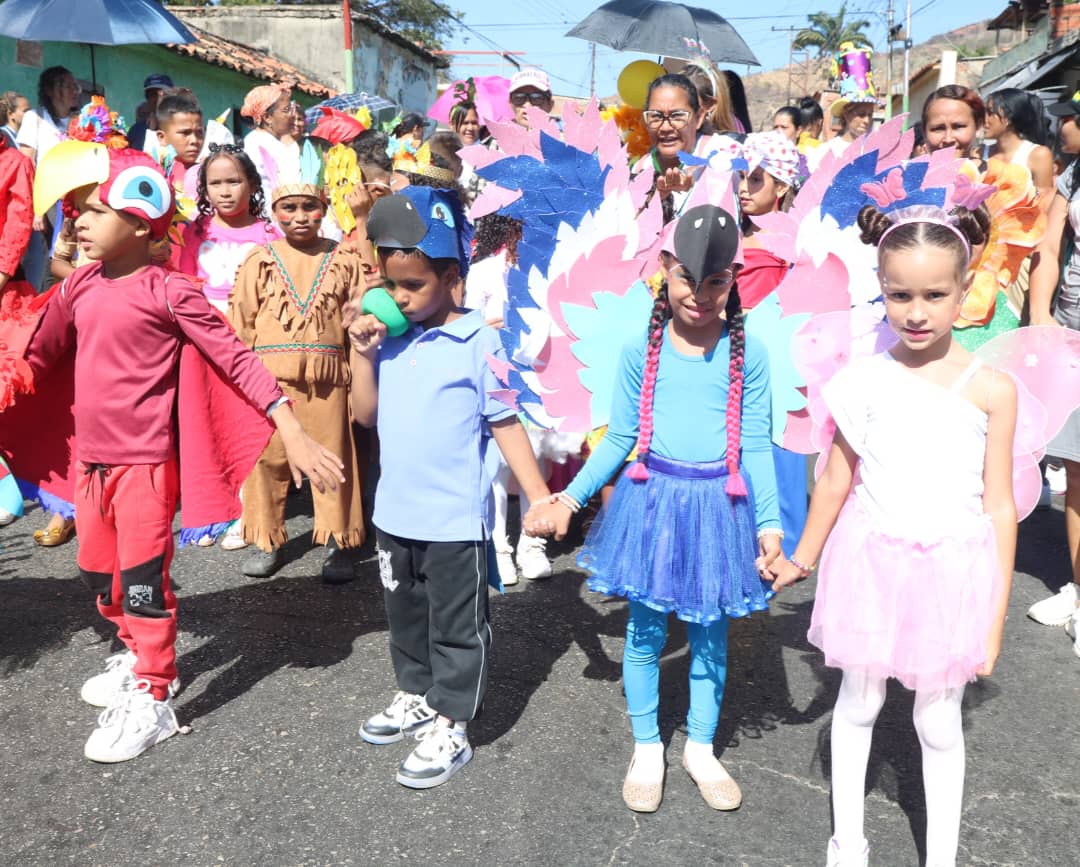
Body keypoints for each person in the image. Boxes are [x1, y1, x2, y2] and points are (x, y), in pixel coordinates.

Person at [22, 147, 345, 762]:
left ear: (141, 223)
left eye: (93, 211)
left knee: (143, 581)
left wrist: (294, 430)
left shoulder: (172, 291)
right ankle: (134, 651)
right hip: (90, 463)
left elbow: (237, 360)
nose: (78, 221)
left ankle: (154, 692)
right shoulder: (80, 284)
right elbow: (38, 355)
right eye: (77, 211)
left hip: (147, 466)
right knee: (97, 573)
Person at [770, 206, 1018, 866]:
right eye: (900, 294)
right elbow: (834, 479)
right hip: (871, 561)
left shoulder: (991, 388)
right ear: (880, 287)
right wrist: (802, 557)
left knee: (937, 719)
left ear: (965, 290)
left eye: (934, 294)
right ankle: (846, 840)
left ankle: (941, 856)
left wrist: (994, 620)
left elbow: (999, 505)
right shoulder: (861, 380)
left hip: (951, 571)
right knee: (858, 701)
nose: (916, 311)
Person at [527, 203, 783, 813]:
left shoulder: (749, 353)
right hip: (653, 504)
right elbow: (618, 437)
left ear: (733, 280)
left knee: (711, 636)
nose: (700, 294)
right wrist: (569, 499)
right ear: (665, 270)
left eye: (716, 281)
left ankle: (701, 747)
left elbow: (756, 445)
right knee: (645, 631)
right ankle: (647, 746)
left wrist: (770, 525)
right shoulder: (639, 351)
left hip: (720, 508)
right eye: (687, 277)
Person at [348, 186, 552, 788]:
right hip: (395, 515)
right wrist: (361, 353)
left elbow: (506, 421)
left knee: (458, 628)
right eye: (391, 285)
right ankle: (417, 693)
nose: (399, 298)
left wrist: (539, 496)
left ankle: (452, 721)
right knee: (406, 617)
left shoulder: (482, 343)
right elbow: (364, 415)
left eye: (414, 285)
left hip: (453, 522)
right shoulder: (391, 339)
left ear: (452, 279)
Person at [227, 180, 365, 582]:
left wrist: (357, 385)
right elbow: (241, 327)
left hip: (328, 381)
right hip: (270, 385)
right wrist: (240, 389)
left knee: (332, 460)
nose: (300, 216)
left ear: (324, 209)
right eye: (289, 208)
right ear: (274, 213)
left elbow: (362, 320)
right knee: (267, 461)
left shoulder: (344, 258)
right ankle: (267, 538)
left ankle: (338, 540)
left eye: (309, 207)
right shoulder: (260, 260)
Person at [1024, 90, 1080, 654]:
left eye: (1073, 118)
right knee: (1076, 468)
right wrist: (1041, 316)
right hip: (1072, 334)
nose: (1065, 125)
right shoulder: (1072, 176)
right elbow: (1048, 246)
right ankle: (1079, 590)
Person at [180, 144, 279, 314]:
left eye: (233, 182)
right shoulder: (196, 232)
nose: (224, 192)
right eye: (215, 183)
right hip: (206, 321)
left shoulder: (270, 236)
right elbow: (186, 284)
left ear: (253, 185)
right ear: (205, 189)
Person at [640, 74, 708, 223]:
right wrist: (656, 198)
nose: (665, 127)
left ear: (699, 117)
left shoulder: (723, 153)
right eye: (656, 116)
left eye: (677, 116)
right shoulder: (640, 169)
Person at [984, 88, 1054, 205]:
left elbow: (1044, 201)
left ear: (1008, 118)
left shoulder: (1038, 155)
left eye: (990, 113)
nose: (984, 119)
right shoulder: (980, 153)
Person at [241, 84, 299, 210]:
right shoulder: (258, 144)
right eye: (286, 110)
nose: (293, 115)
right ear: (267, 117)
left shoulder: (272, 141)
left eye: (292, 108)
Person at [154, 89, 206, 186]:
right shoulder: (155, 176)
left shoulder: (208, 175)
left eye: (199, 132)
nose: (194, 140)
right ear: (162, 137)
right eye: (185, 133)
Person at [922, 84, 986, 160]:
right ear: (924, 132)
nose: (948, 139)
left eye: (958, 127)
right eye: (938, 129)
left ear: (978, 127)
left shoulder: (994, 167)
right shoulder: (913, 167)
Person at [126, 73, 173, 152]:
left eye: (164, 94)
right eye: (153, 94)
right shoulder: (136, 130)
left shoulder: (181, 128)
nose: (158, 98)